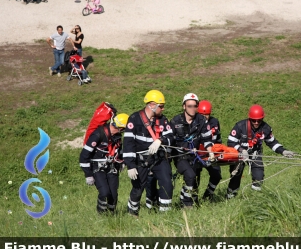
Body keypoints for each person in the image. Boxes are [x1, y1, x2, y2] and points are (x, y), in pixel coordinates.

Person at [226, 104, 296, 198]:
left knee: (259, 176)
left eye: (258, 120)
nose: (256, 123)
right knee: (236, 175)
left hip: (255, 153)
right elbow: (230, 142)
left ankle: (255, 198)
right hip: (239, 154)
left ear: (262, 119)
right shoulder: (240, 126)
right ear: (250, 118)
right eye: (253, 120)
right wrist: (241, 150)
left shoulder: (266, 128)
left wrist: (283, 151)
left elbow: (272, 143)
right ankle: (230, 197)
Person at [122, 90, 174, 218]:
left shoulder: (163, 120)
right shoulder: (134, 120)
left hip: (158, 159)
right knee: (138, 189)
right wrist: (131, 165)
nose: (163, 108)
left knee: (167, 183)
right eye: (161, 106)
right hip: (141, 161)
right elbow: (128, 143)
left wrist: (160, 140)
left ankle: (165, 216)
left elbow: (171, 137)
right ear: (152, 105)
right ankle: (132, 213)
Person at [170, 93, 216, 208]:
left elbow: (207, 138)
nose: (192, 108)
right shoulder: (175, 122)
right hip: (180, 156)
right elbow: (169, 141)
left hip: (194, 156)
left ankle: (183, 197)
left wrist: (210, 152)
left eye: (195, 106)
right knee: (190, 176)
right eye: (189, 106)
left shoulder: (201, 120)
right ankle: (187, 205)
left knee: (194, 180)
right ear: (184, 106)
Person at [79, 113, 129, 214]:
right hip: (98, 168)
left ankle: (112, 215)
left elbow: (119, 151)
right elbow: (84, 155)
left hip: (112, 167)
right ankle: (101, 213)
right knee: (105, 192)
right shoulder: (98, 135)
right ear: (120, 128)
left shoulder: (117, 137)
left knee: (113, 194)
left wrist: (122, 161)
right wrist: (88, 174)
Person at [194, 100, 222, 201]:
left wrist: (219, 152)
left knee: (216, 175)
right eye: (202, 115)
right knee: (195, 178)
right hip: (197, 155)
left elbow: (218, 139)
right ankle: (194, 199)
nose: (204, 117)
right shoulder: (194, 122)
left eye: (207, 115)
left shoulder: (214, 122)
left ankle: (208, 195)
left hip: (211, 154)